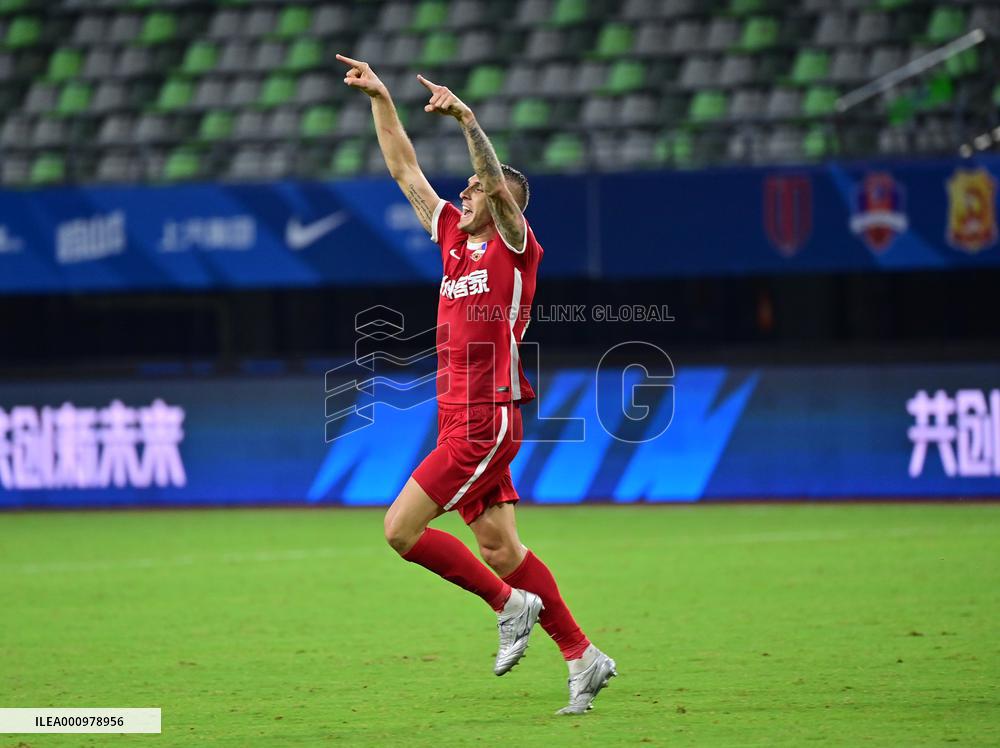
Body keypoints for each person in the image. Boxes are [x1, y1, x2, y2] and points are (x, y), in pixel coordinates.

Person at [336, 53, 616, 715]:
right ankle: (582, 655)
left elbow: (493, 183)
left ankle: (509, 606)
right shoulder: (453, 242)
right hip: (457, 417)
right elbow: (405, 170)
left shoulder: (516, 249)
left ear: (499, 202)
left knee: (399, 531)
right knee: (499, 546)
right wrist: (381, 99)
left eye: (472, 190)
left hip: (487, 418)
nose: (461, 194)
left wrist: (466, 119)